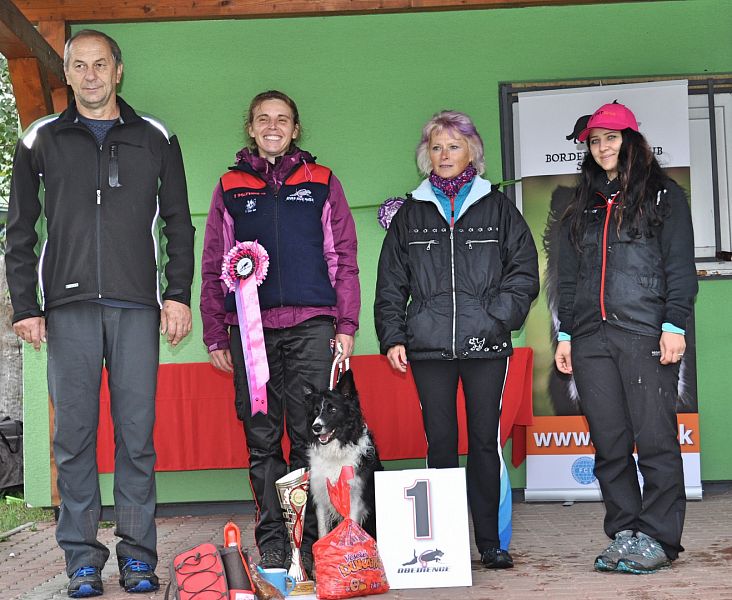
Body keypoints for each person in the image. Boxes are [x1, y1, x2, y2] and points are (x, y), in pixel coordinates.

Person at [5, 29, 194, 598]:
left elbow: (179, 224)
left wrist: (178, 293)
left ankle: (138, 557)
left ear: (118, 70)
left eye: (100, 64)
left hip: (138, 307)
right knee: (75, 439)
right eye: (79, 65)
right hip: (67, 310)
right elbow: (19, 233)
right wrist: (26, 306)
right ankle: (82, 561)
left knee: (137, 437)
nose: (90, 75)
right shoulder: (40, 139)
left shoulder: (156, 136)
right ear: (67, 73)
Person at [200, 90, 360, 575]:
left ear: (295, 129)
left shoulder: (323, 181)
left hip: (313, 329)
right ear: (250, 127)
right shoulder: (229, 186)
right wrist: (213, 333)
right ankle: (273, 540)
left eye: (283, 119)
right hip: (250, 335)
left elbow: (344, 259)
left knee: (311, 438)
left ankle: (312, 542)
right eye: (263, 119)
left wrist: (346, 324)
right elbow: (213, 264)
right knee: (262, 438)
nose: (273, 126)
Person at [374, 110, 539, 569]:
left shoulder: (499, 207)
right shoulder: (410, 213)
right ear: (426, 155)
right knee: (440, 443)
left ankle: (490, 544)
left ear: (473, 153)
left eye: (453, 146)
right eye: (436, 146)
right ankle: (445, 546)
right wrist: (393, 336)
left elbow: (524, 272)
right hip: (427, 348)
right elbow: (390, 283)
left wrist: (497, 317)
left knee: (485, 443)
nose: (443, 155)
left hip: (487, 347)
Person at [554, 102, 698, 574]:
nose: (602, 148)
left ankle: (659, 537)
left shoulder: (664, 197)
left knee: (655, 440)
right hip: (591, 338)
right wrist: (567, 334)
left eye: (611, 138)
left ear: (631, 140)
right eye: (595, 141)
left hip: (645, 334)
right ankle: (626, 531)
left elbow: (679, 268)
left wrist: (674, 326)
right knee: (610, 444)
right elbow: (570, 279)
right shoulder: (583, 204)